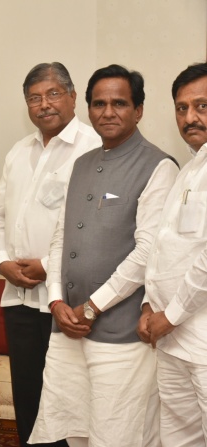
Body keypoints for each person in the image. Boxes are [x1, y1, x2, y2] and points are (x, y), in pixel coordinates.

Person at [29, 64, 179, 447]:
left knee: (117, 433)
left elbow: (147, 253)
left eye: (119, 103)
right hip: (67, 327)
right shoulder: (81, 164)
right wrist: (57, 300)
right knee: (73, 428)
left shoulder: (158, 166)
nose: (107, 112)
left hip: (119, 333)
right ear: (88, 108)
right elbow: (61, 238)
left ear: (139, 109)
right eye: (99, 103)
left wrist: (92, 308)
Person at [0, 62, 100, 447]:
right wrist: (2, 262)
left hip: (65, 299)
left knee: (68, 401)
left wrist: (47, 266)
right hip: (17, 295)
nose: (44, 105)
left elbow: (99, 229)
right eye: (34, 98)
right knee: (28, 399)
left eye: (53, 94)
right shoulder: (19, 152)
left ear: (72, 96)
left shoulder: (94, 146)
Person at [139, 62, 207, 447]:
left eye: (201, 105)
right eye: (182, 108)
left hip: (199, 339)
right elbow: (164, 246)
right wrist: (149, 305)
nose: (190, 117)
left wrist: (173, 314)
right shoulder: (190, 167)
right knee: (179, 440)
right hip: (169, 338)